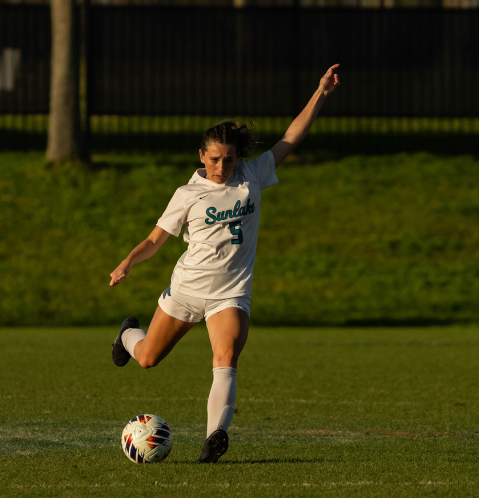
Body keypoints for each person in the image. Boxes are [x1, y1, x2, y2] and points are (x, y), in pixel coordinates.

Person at [109, 64, 341, 463]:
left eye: (229, 160)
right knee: (147, 358)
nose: (222, 168)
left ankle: (214, 438)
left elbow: (291, 137)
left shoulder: (252, 176)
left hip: (230, 294)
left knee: (226, 354)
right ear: (201, 155)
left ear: (239, 158)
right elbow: (154, 240)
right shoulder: (187, 193)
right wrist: (128, 261)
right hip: (185, 291)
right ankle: (127, 334)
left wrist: (320, 93)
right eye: (215, 159)